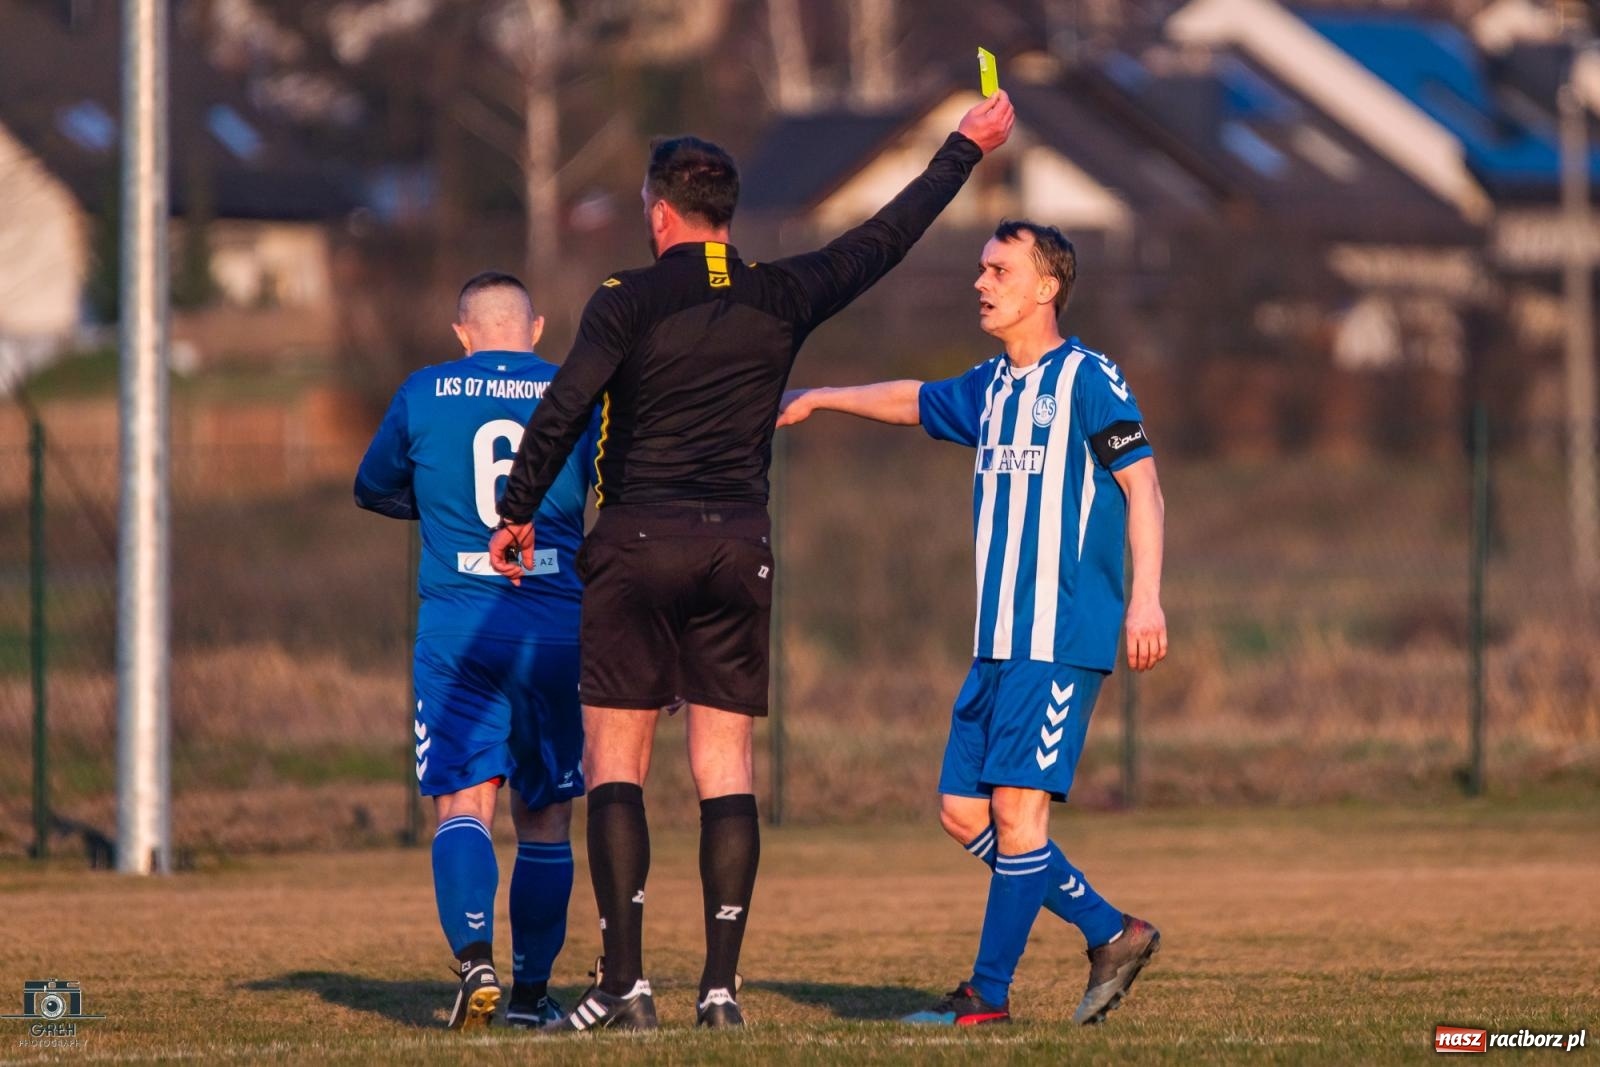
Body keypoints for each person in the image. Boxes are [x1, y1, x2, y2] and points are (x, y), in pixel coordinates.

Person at [484, 94, 1017, 1031]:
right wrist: (960, 151)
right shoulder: (782, 292)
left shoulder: (626, 298)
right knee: (724, 763)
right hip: (739, 545)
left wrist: (516, 511)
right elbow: (884, 238)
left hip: (638, 540)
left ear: (659, 213)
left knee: (618, 758)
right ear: (725, 212)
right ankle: (721, 991)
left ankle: (624, 985)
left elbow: (564, 405)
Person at [776, 220, 1168, 1026]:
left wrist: (1147, 597)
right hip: (995, 644)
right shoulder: (991, 387)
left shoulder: (1089, 378)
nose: (981, 282)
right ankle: (1110, 930)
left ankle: (986, 997)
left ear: (1046, 287)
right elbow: (911, 400)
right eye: (981, 268)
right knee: (965, 812)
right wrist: (819, 397)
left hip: (1059, 638)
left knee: (1021, 814)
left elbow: (1146, 489)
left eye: (999, 269)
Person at [354, 272, 597, 1031]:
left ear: (463, 333)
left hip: (460, 625)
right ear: (535, 329)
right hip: (556, 623)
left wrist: (439, 510)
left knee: (465, 801)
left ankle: (475, 960)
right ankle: (530, 994)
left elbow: (372, 486)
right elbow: (612, 487)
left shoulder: (424, 390)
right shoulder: (577, 389)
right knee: (547, 817)